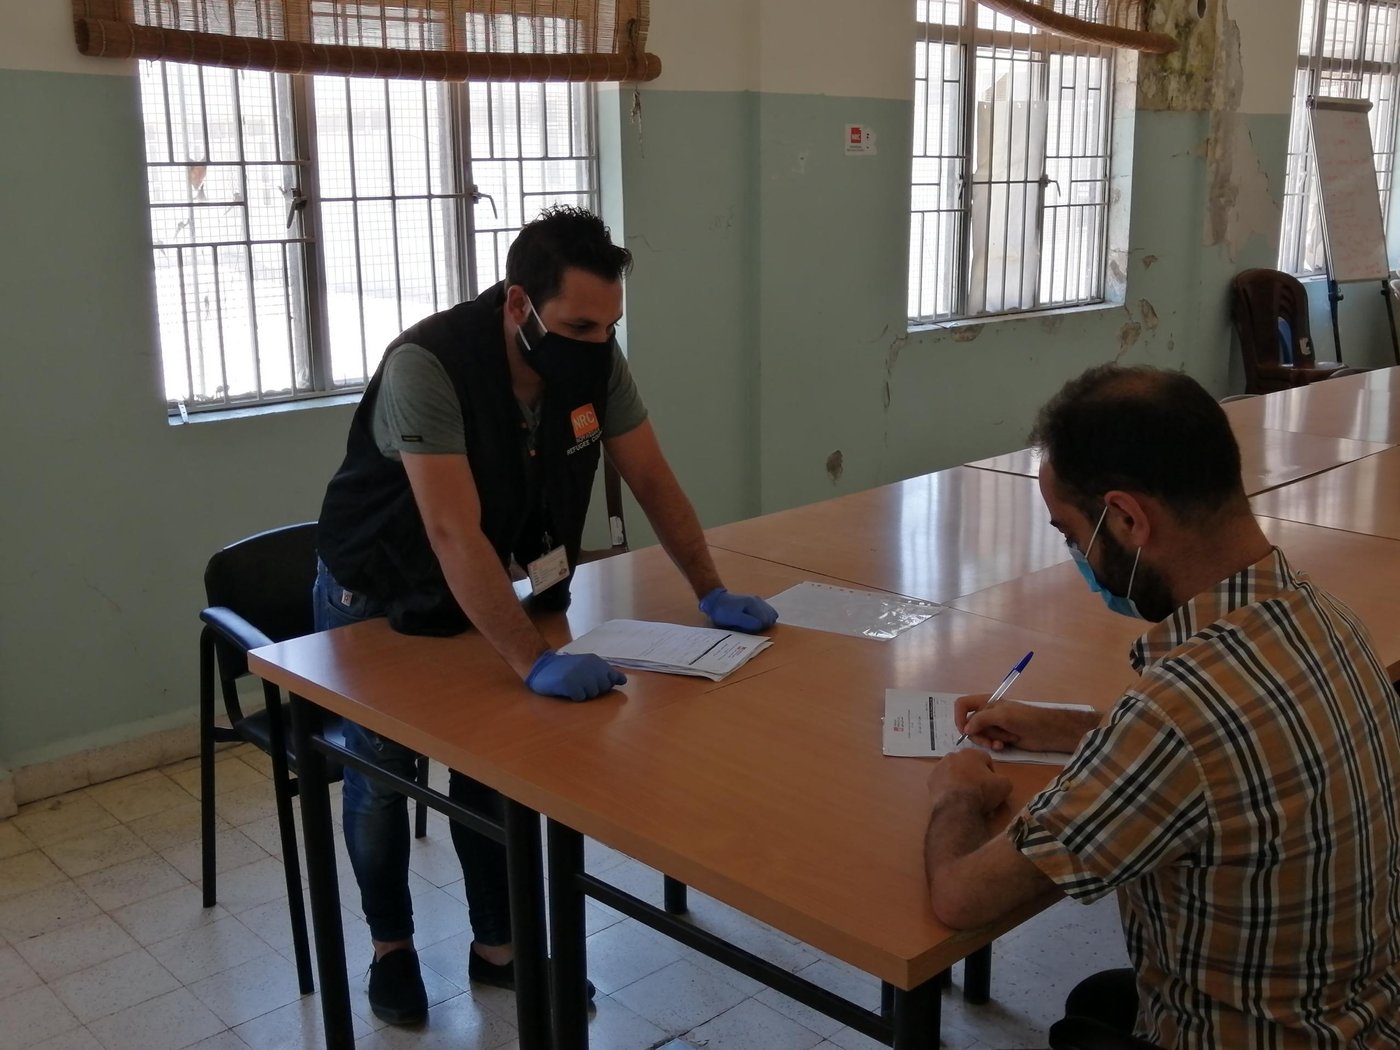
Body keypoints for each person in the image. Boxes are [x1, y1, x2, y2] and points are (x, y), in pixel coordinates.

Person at [313, 206, 778, 1025]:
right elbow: (451, 531)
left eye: (610, 327)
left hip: (479, 588)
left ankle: (499, 947)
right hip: (376, 596)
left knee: (490, 770)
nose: (596, 344)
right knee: (382, 777)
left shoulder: (593, 362)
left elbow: (652, 477)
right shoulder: (428, 366)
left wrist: (708, 589)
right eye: (579, 326)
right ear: (519, 303)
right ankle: (391, 948)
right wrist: (530, 659)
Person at [923, 364, 1400, 1048]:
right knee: (1098, 999)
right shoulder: (1326, 619)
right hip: (1363, 1018)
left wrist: (958, 795)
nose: (1075, 555)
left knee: (1089, 1018)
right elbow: (1230, 753)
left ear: (1126, 518)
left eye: (1071, 534)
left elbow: (960, 898)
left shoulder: (1175, 716)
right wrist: (1076, 729)